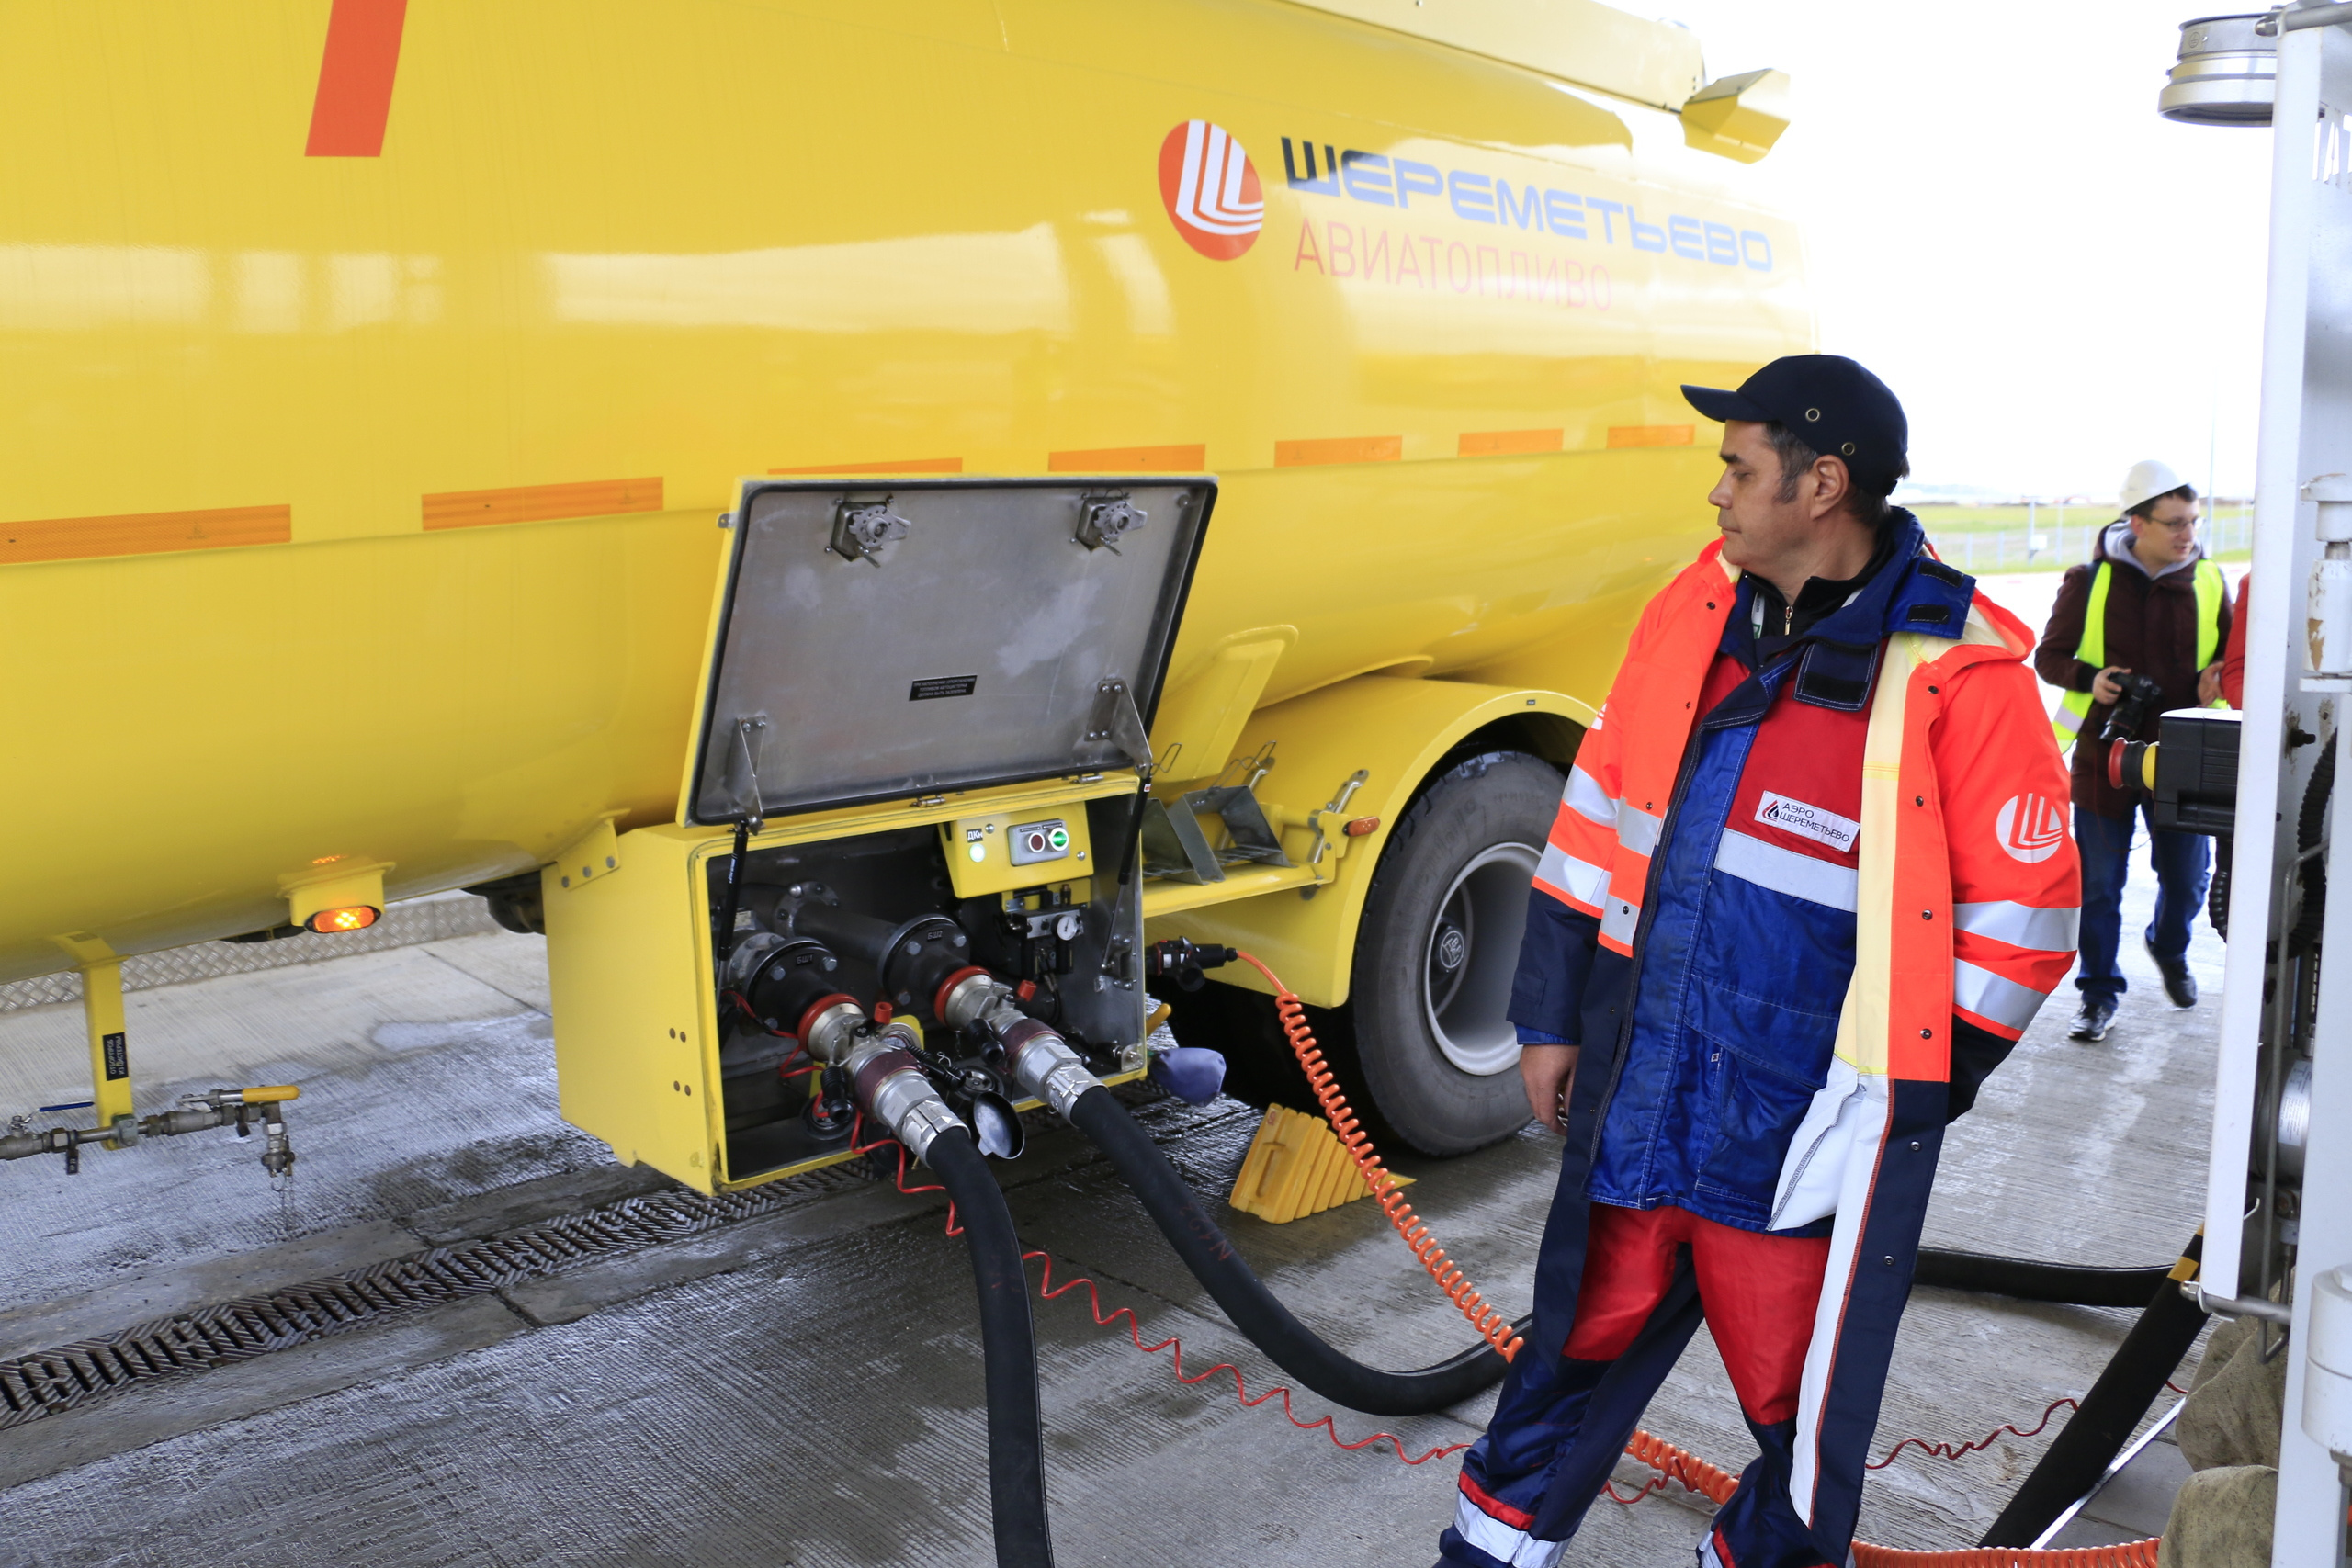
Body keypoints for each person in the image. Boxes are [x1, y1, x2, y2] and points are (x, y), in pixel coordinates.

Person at [1438, 355, 2080, 1568]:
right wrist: (1549, 1016)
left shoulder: (1963, 668)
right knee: (1570, 1353)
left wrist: (1904, 1097)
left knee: (1798, 1415)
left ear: (1821, 484)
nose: (1717, 493)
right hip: (1639, 1096)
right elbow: (1594, 823)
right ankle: (1485, 1553)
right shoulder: (1690, 609)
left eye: (1738, 468)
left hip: (1803, 1137)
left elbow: (2026, 920)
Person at [2033, 461, 2230, 1042]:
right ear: (2138, 524)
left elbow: (2233, 658)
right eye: (2174, 523)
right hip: (2105, 759)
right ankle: (2097, 994)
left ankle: (2168, 946)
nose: (2188, 534)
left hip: (2182, 759)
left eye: (2192, 522)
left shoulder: (2208, 581)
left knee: (2188, 882)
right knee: (2098, 887)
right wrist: (2090, 679)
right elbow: (2049, 657)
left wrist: (2220, 673)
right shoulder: (2090, 581)